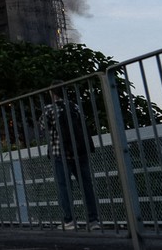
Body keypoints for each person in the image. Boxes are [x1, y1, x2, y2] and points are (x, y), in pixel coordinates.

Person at [42, 81, 101, 231]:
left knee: (64, 187)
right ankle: (93, 220)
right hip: (79, 152)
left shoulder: (49, 109)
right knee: (86, 185)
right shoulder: (74, 107)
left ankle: (69, 220)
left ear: (52, 93)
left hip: (59, 152)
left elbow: (43, 128)